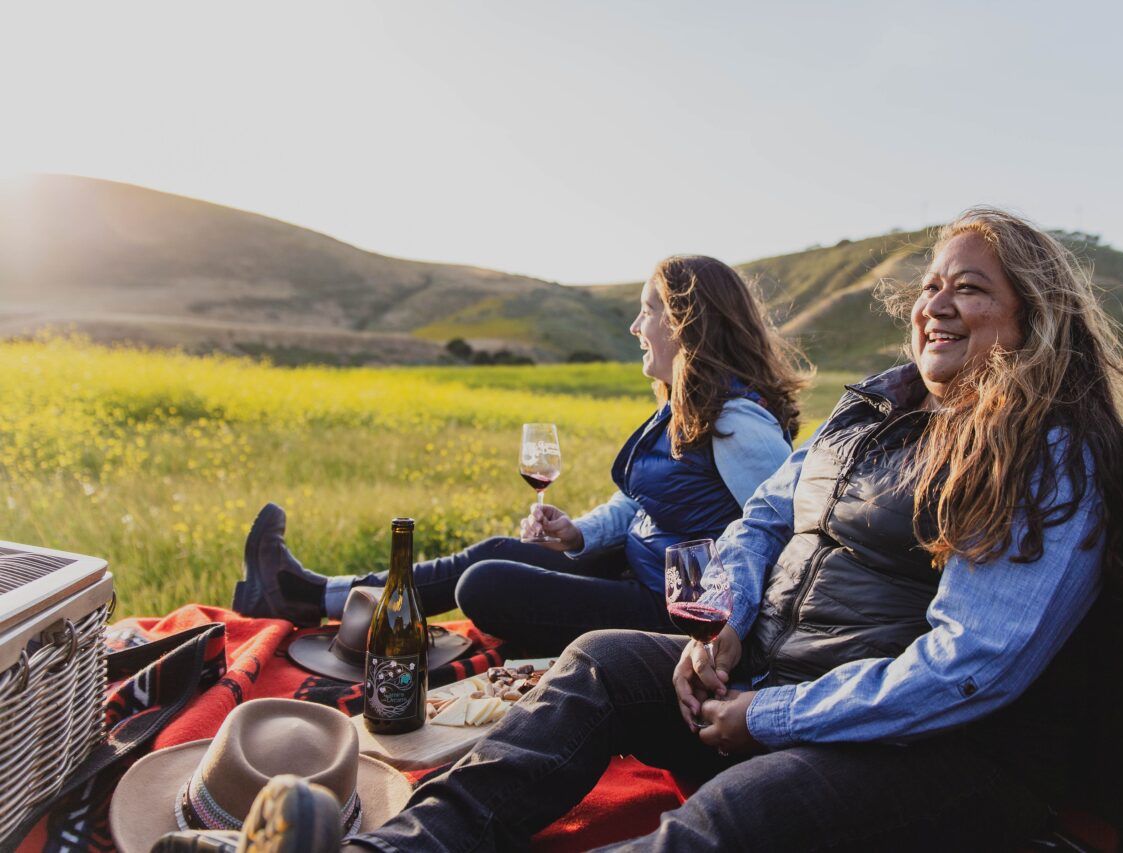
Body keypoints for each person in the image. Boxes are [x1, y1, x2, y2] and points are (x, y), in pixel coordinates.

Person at [175, 207, 1123, 852]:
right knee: (599, 660)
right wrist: (722, 624)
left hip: (929, 754)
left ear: (1032, 318)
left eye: (969, 287)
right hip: (774, 685)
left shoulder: (1043, 452)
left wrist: (768, 714)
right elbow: (762, 517)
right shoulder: (871, 412)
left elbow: (968, 667)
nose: (935, 303)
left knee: (727, 819)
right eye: (931, 284)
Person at [232, 255, 809, 654]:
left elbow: (786, 542)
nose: (636, 326)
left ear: (687, 323)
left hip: (667, 612)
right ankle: (312, 594)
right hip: (630, 572)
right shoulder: (689, 407)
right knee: (496, 551)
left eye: (649, 310)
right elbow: (641, 503)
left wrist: (725, 642)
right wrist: (577, 534)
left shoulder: (739, 424)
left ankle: (315, 597)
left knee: (484, 586)